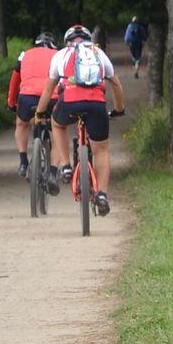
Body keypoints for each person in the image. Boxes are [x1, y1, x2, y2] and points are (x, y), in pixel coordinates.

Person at [35, 24, 128, 214]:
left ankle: (66, 165)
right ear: (89, 40)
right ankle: (102, 194)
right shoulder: (99, 54)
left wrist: (39, 113)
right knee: (101, 151)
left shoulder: (60, 55)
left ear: (67, 42)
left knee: (57, 124)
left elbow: (48, 89)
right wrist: (119, 109)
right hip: (96, 105)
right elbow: (116, 85)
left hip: (69, 102)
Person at [7, 31, 57, 182]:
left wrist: (11, 102)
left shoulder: (25, 54)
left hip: (27, 96)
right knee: (57, 130)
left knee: (21, 124)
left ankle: (23, 162)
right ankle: (54, 171)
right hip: (51, 97)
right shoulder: (58, 55)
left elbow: (15, 79)